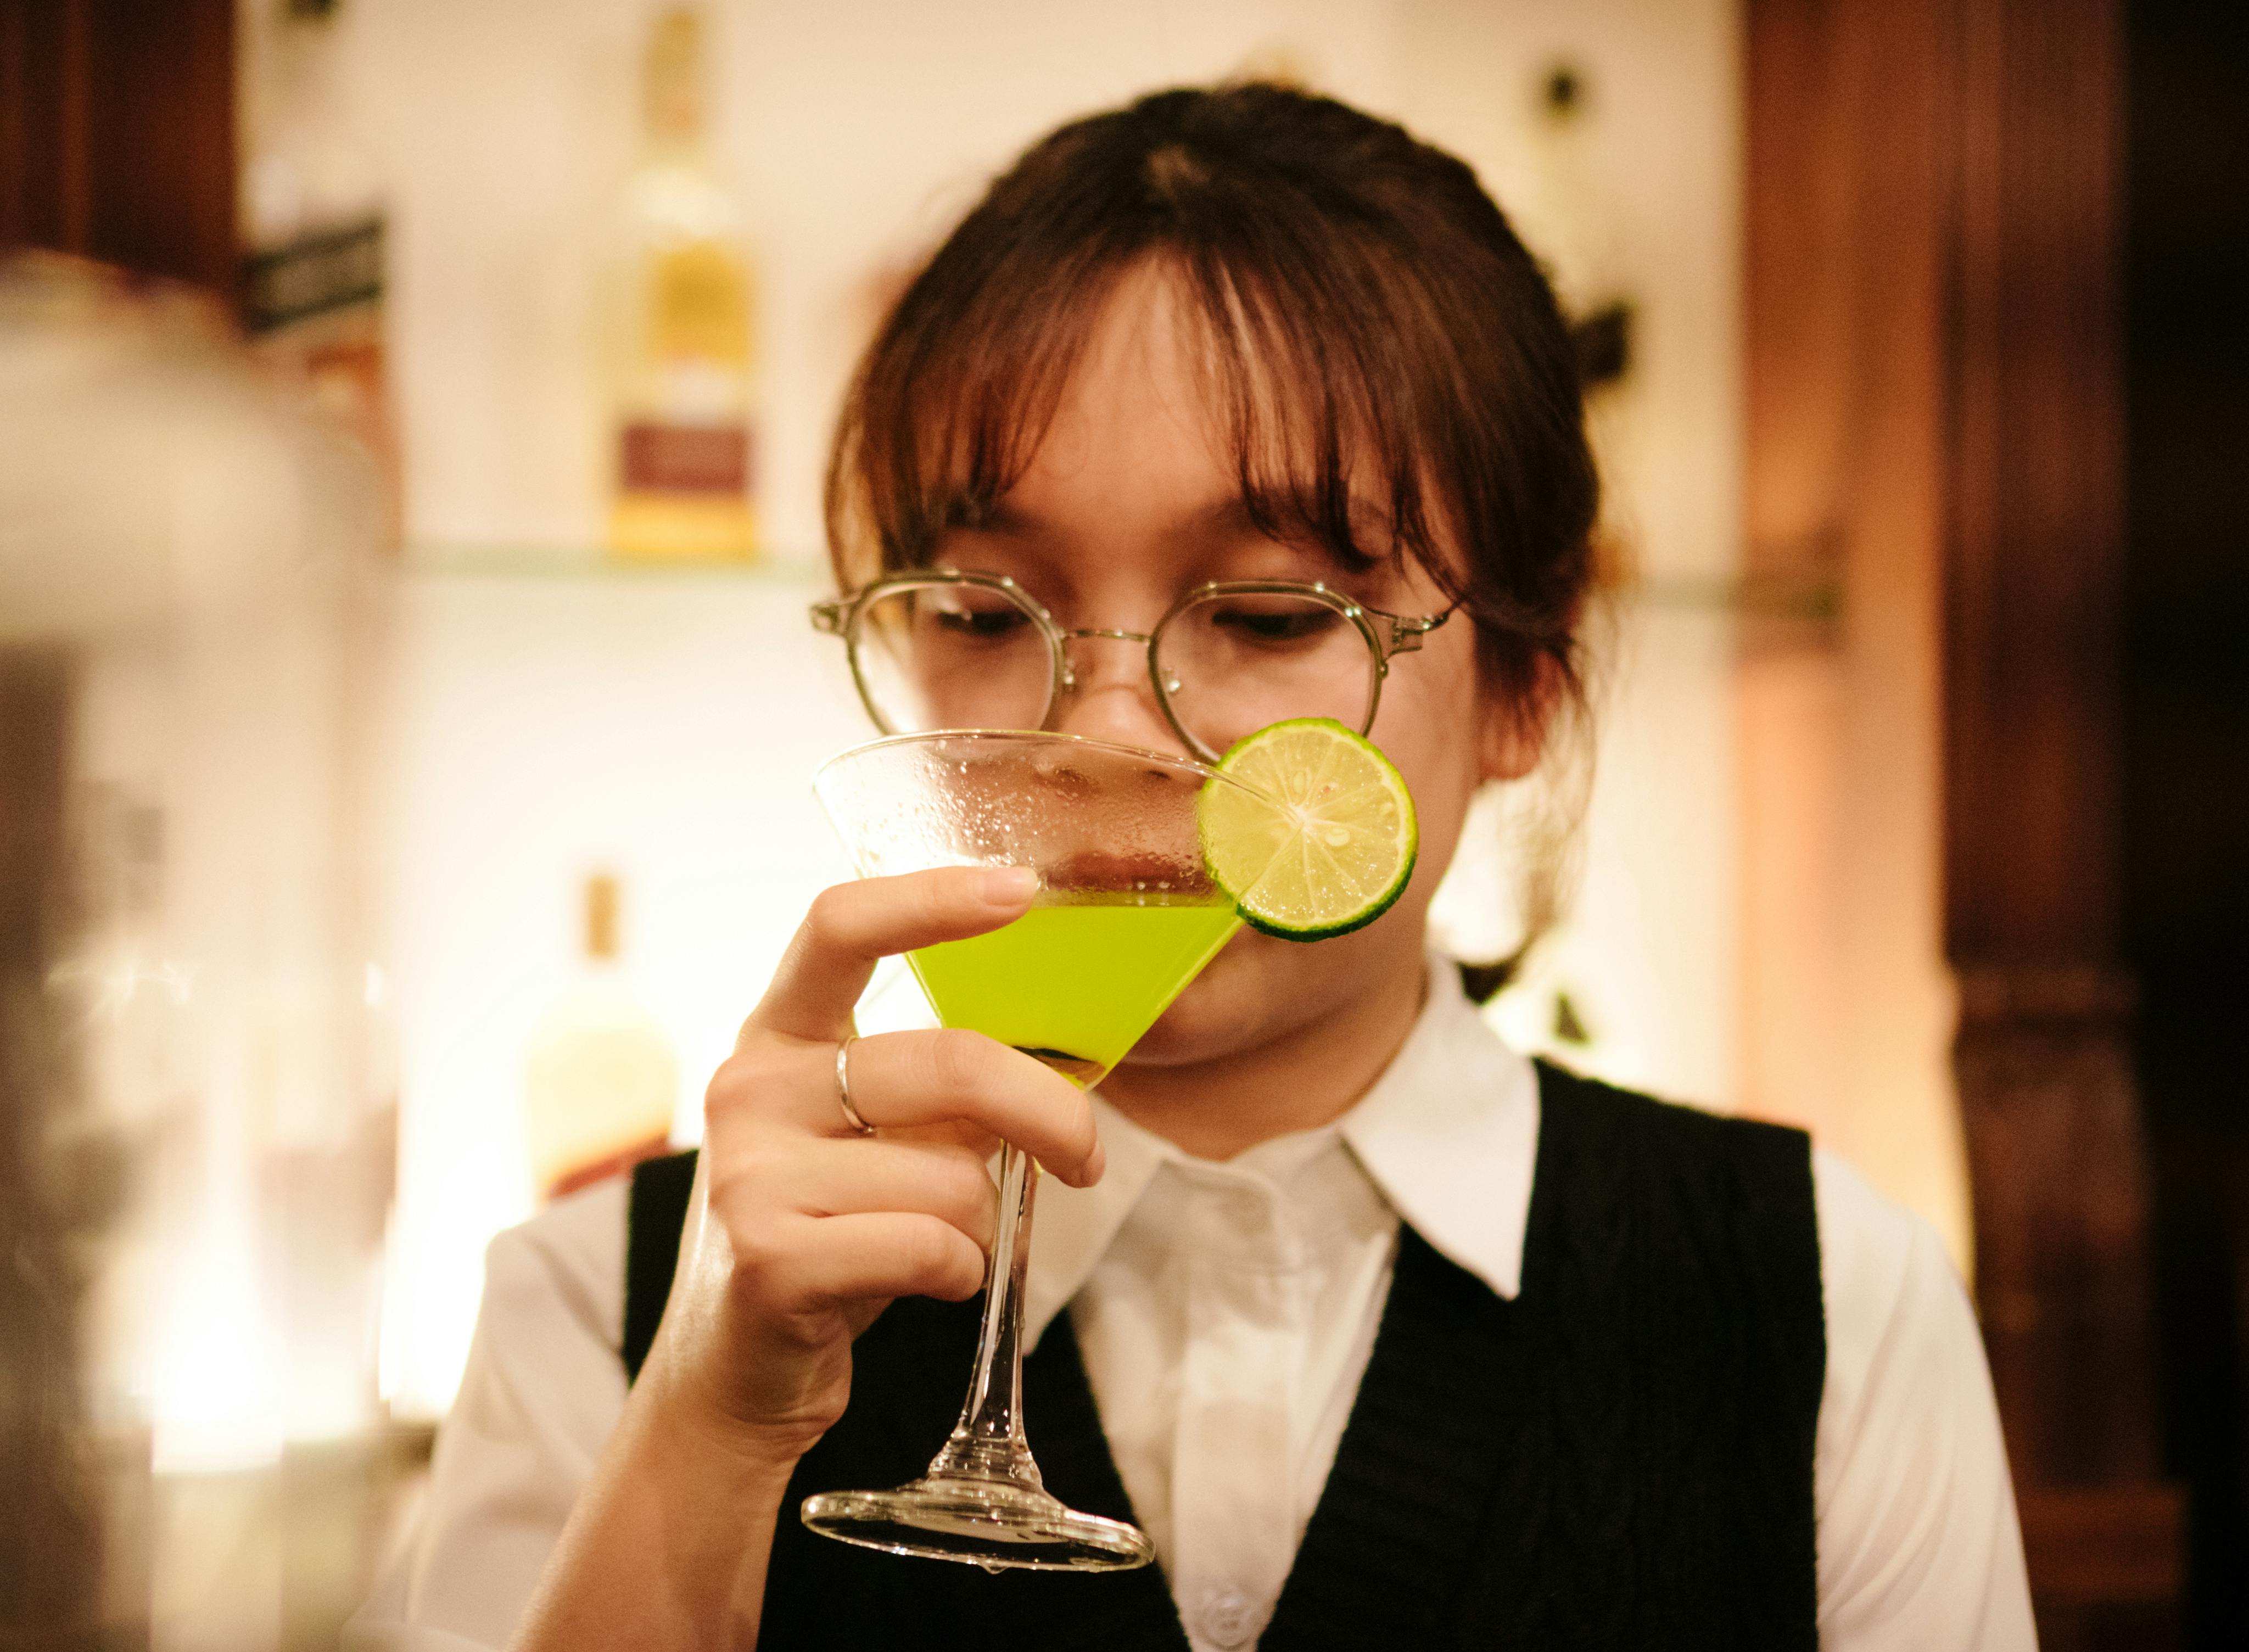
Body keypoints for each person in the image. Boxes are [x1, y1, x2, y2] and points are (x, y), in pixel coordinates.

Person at [350, 83, 2035, 1651]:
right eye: (980, 609)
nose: (1104, 733)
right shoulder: (603, 1299)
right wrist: (707, 1432)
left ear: (1529, 672)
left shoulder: (1820, 1305)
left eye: (1270, 614)